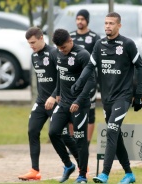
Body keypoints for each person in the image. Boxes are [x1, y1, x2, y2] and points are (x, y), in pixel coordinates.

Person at [71, 12, 142, 184]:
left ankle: (104, 174)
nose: (107, 26)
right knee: (115, 134)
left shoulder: (127, 44)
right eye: (106, 23)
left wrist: (138, 94)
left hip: (123, 97)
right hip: (107, 98)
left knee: (111, 130)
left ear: (119, 25)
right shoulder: (99, 44)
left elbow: (139, 66)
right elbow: (90, 66)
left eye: (111, 23)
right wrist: (79, 82)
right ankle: (129, 174)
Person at [18, 27, 79, 181]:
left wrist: (54, 96)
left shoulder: (53, 53)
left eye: (33, 42)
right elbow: (42, 80)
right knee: (32, 130)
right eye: (28, 43)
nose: (31, 45)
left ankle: (80, 164)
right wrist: (43, 97)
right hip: (41, 102)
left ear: (41, 38)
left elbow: (62, 76)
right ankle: (35, 170)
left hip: (57, 101)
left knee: (63, 135)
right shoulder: (34, 56)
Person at [49, 28, 95, 183]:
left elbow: (91, 81)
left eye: (64, 47)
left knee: (80, 140)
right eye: (59, 48)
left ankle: (82, 175)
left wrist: (78, 101)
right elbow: (59, 73)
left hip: (79, 105)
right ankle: (68, 165)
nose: (62, 51)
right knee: (53, 132)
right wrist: (57, 92)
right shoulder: (57, 53)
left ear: (70, 41)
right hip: (63, 103)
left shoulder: (83, 55)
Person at [69, 9, 101, 147]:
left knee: (90, 112)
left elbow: (99, 58)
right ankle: (73, 141)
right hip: (72, 79)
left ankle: (86, 143)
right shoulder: (70, 36)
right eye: (77, 19)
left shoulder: (94, 37)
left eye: (82, 19)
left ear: (87, 20)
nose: (79, 22)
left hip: (89, 80)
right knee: (70, 110)